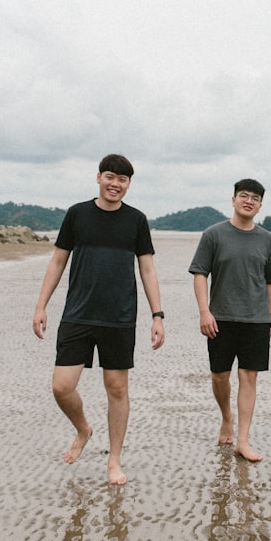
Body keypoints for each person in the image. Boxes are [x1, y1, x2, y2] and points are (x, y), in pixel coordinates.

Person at [32, 154, 165, 485]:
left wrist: (157, 315)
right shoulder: (78, 214)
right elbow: (58, 261)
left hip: (119, 317)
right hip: (78, 313)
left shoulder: (136, 220)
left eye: (123, 179)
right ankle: (83, 429)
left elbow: (147, 268)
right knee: (62, 386)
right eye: (110, 176)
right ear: (98, 178)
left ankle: (114, 460)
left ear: (128, 185)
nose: (115, 183)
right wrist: (41, 305)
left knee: (117, 387)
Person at [189, 178, 271, 462]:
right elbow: (200, 274)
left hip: (256, 320)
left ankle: (243, 440)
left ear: (260, 205)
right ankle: (226, 416)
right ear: (233, 200)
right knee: (219, 376)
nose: (249, 201)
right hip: (221, 317)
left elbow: (270, 282)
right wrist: (204, 311)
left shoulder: (266, 239)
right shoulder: (214, 234)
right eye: (244, 195)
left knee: (249, 376)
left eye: (255, 198)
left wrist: (269, 318)